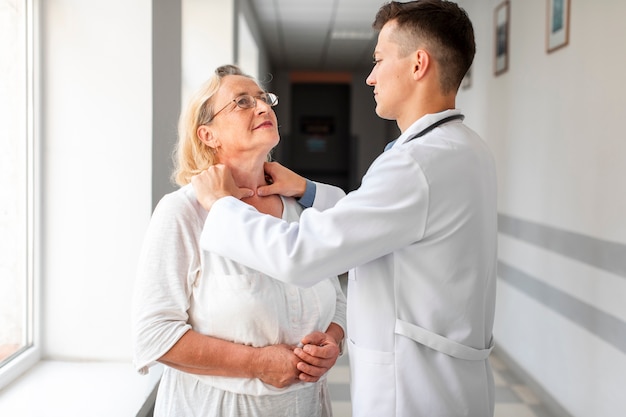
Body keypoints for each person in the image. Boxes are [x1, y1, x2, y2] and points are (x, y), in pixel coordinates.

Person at [191, 1, 498, 416]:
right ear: (206, 134)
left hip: (415, 392)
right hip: (452, 386)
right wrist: (308, 189)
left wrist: (222, 207)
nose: (370, 76)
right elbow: (388, 221)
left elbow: (301, 255)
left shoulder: (415, 165)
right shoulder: (466, 148)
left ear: (417, 64)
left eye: (378, 60)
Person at [132, 64, 346, 417]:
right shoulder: (181, 213)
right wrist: (257, 363)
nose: (263, 108)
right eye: (242, 102)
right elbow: (153, 335)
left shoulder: (297, 208)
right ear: (208, 135)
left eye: (264, 99)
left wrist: (332, 341)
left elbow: (337, 300)